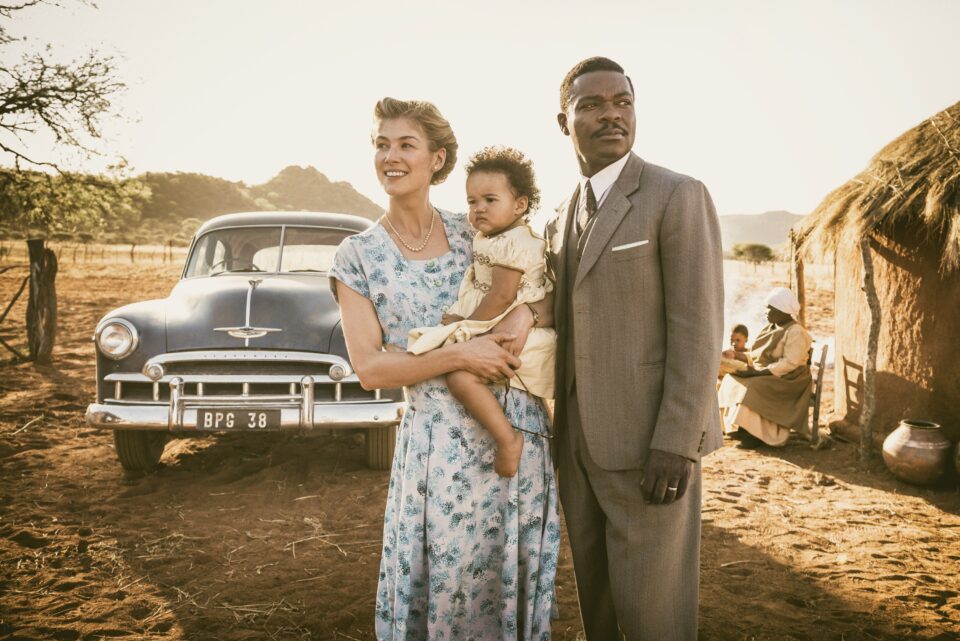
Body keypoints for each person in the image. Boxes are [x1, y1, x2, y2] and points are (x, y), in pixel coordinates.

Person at [328, 97, 560, 640]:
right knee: (446, 588)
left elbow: (552, 296)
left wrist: (526, 313)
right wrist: (459, 355)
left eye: (406, 144)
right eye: (382, 144)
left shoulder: (482, 228)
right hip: (437, 451)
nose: (391, 155)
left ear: (438, 159)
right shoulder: (357, 256)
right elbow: (369, 368)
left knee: (507, 581)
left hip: (517, 436)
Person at [545, 57, 724, 641]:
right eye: (591, 105)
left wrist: (677, 441)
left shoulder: (676, 195)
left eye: (622, 101)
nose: (611, 115)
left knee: (654, 615)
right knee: (599, 610)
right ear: (562, 120)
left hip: (652, 449)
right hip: (576, 446)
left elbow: (698, 330)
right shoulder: (562, 212)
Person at [407, 146, 556, 478]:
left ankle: (507, 440)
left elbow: (502, 296)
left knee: (460, 376)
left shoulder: (515, 241)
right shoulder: (492, 238)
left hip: (515, 331)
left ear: (520, 205)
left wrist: (466, 325)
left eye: (490, 200)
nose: (479, 209)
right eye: (472, 202)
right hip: (500, 323)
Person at [718, 287, 813, 447]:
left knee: (753, 385)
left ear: (782, 311)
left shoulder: (796, 332)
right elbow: (759, 356)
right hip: (772, 371)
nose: (766, 312)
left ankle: (757, 435)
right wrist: (737, 356)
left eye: (770, 309)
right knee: (731, 378)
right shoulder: (771, 328)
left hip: (789, 378)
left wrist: (758, 372)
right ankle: (740, 427)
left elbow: (790, 363)